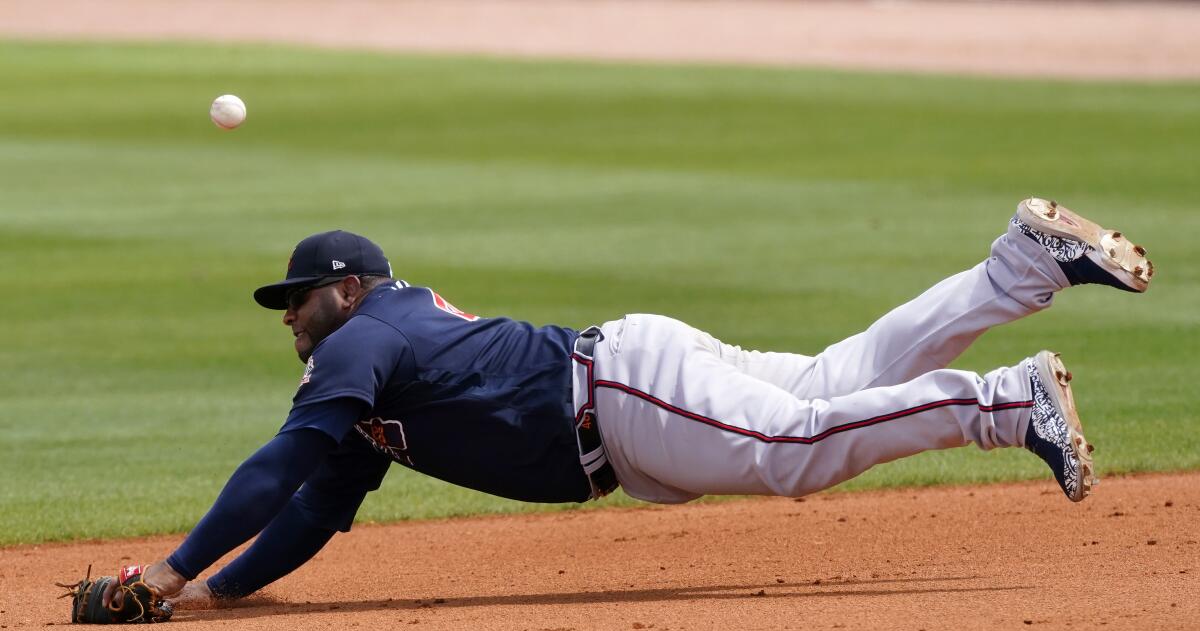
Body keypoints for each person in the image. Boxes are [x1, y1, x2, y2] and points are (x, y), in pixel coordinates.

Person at [112, 197, 1153, 607]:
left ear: (344, 290)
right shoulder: (379, 369)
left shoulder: (367, 336)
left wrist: (168, 567)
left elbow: (280, 463)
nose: (287, 320)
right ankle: (1024, 266)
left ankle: (1007, 406)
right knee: (842, 379)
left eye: (295, 302)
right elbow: (308, 508)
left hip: (623, 401)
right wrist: (209, 595)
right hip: (631, 387)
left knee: (797, 445)